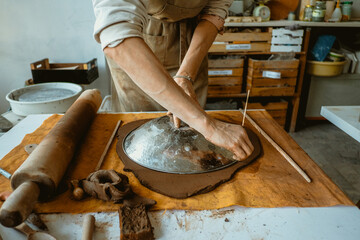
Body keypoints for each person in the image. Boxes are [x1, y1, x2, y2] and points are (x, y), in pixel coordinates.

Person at [92, 0, 254, 161]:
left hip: (195, 39)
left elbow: (215, 11)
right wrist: (209, 126)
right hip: (138, 43)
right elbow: (117, 36)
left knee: (190, 134)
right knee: (144, 140)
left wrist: (185, 76)